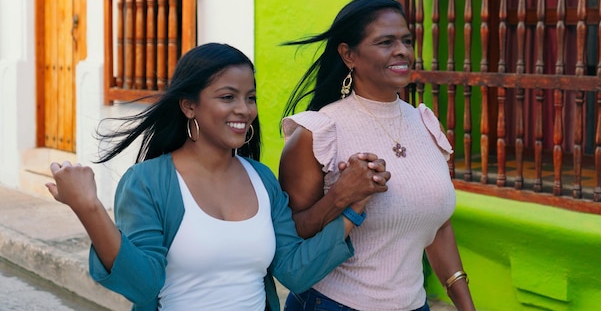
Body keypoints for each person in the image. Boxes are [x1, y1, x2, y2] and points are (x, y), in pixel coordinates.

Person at [46, 43, 391, 311]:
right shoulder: (147, 182)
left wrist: (353, 207)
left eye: (250, 97)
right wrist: (89, 208)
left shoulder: (262, 179)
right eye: (228, 97)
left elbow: (292, 271)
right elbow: (143, 285)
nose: (244, 109)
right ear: (189, 106)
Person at [279, 0, 476, 311]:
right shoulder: (317, 132)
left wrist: (466, 305)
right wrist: (342, 195)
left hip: (414, 304)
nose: (402, 51)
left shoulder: (424, 122)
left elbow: (437, 224)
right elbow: (291, 235)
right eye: (386, 42)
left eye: (407, 41)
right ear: (349, 55)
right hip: (334, 304)